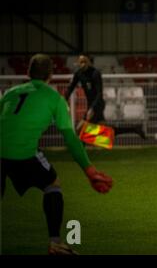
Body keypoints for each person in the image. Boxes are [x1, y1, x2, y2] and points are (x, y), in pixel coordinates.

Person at [0, 54, 113, 255]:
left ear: (28, 73)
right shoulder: (54, 99)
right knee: (52, 184)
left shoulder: (10, 93)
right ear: (51, 75)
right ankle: (55, 243)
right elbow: (70, 140)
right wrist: (90, 171)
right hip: (23, 153)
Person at [65, 54, 146, 140]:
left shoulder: (95, 73)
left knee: (80, 129)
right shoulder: (78, 74)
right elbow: (71, 87)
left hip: (98, 104)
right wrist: (64, 99)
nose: (83, 64)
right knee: (103, 131)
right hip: (90, 105)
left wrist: (92, 108)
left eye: (85, 61)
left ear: (89, 62)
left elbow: (99, 93)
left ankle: (88, 146)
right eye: (81, 62)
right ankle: (134, 129)